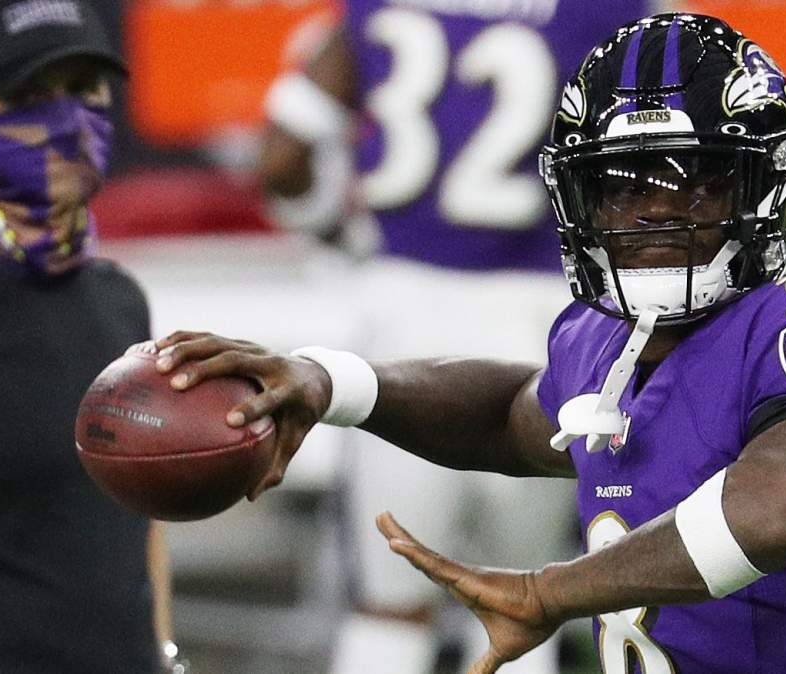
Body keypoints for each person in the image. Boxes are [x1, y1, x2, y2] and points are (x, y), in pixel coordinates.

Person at [163, 12, 786, 674]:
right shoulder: (599, 341)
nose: (655, 208)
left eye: (698, 179)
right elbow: (504, 414)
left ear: (766, 186)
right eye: (621, 182)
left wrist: (550, 593)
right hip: (464, 302)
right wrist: (330, 383)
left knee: (395, 610)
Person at [257, 2, 650, 673]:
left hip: (404, 312)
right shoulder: (608, 12)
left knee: (389, 608)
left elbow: (283, 157)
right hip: (544, 319)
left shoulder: (378, 9)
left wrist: (338, 234)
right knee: (525, 600)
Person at [0, 1, 179, 672]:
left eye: (84, 90)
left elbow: (139, 524)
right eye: (31, 97)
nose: (66, 119)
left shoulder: (119, 299)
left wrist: (163, 654)